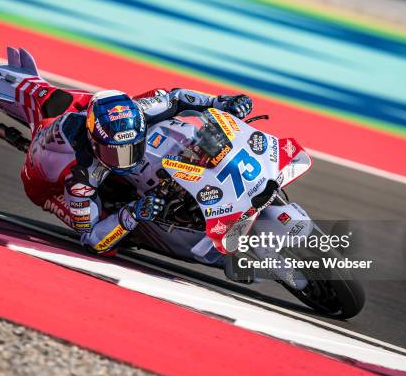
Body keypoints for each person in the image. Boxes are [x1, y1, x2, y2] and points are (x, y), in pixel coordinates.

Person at [17, 77, 252, 256]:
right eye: (115, 152)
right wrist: (134, 212)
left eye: (131, 148)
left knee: (164, 103)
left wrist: (221, 102)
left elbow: (177, 97)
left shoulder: (139, 112)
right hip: (45, 183)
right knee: (111, 245)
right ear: (95, 143)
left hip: (99, 117)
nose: (125, 159)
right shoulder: (80, 175)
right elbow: (91, 238)